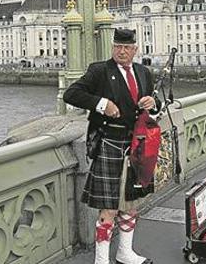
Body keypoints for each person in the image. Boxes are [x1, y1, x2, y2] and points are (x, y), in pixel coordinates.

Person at [63, 28, 159, 264]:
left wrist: (153, 102)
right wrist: (101, 103)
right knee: (108, 209)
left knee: (131, 203)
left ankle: (125, 253)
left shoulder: (143, 72)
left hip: (138, 144)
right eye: (117, 47)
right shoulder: (100, 71)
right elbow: (71, 94)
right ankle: (101, 260)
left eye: (126, 48)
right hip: (110, 142)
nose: (121, 51)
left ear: (135, 49)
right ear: (113, 47)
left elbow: (155, 107)